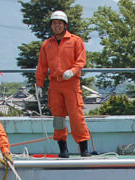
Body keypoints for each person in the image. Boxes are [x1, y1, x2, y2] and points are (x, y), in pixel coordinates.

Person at [35, 10, 92, 158]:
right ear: (51, 26)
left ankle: (84, 149)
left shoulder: (75, 40)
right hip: (55, 85)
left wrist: (72, 71)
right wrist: (39, 85)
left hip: (71, 84)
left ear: (65, 25)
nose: (57, 26)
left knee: (76, 116)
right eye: (54, 23)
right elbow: (42, 66)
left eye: (60, 23)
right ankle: (63, 149)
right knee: (58, 118)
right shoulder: (46, 45)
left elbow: (81, 60)